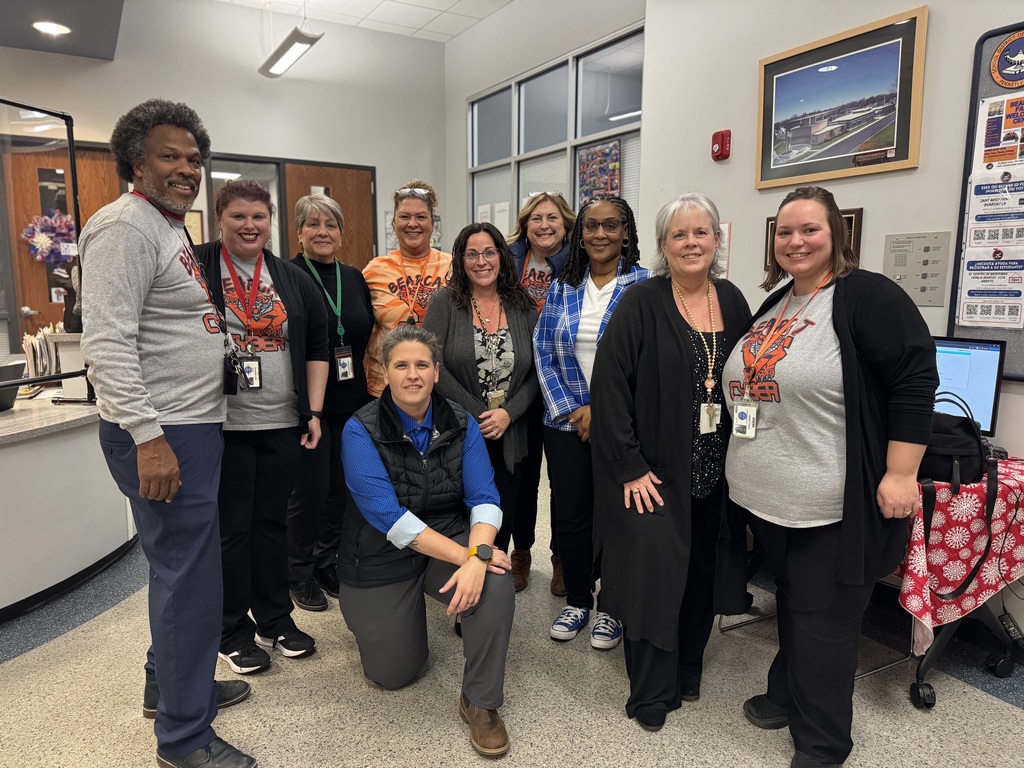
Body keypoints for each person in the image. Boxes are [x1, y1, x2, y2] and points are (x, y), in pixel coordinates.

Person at [722, 186, 937, 767]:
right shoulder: (777, 302)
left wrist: (900, 472)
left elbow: (914, 384)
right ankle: (786, 694)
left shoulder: (867, 297)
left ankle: (822, 745)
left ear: (836, 235)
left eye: (810, 229)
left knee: (825, 625)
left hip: (831, 504)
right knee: (794, 604)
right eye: (785, 231)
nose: (796, 241)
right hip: (766, 499)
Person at [80, 99, 255, 768]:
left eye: (192, 157)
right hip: (163, 434)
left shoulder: (166, 225)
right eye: (169, 157)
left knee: (181, 571)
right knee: (191, 579)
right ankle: (184, 739)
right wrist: (148, 437)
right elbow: (109, 343)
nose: (186, 169)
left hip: (189, 426)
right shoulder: (124, 227)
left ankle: (169, 682)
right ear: (135, 161)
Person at [589, 193, 752, 732]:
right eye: (679, 235)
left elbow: (749, 379)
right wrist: (630, 464)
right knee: (654, 576)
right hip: (653, 474)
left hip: (715, 472)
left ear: (716, 239)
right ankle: (651, 690)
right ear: (662, 245)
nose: (690, 243)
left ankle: (687, 669)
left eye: (700, 232)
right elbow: (608, 387)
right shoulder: (641, 302)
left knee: (701, 574)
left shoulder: (732, 300)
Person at [337, 325, 515, 758]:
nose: (412, 375)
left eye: (422, 365)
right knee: (395, 673)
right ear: (384, 372)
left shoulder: (461, 420)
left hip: (446, 532)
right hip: (379, 551)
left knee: (494, 582)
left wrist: (481, 556)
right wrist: (467, 557)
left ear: (436, 372)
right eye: (401, 365)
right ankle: (389, 622)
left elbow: (484, 497)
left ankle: (481, 701)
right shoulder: (358, 430)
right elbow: (390, 519)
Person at [194, 180, 330, 676]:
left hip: (280, 421)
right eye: (238, 217)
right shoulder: (198, 263)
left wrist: (312, 412)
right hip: (220, 423)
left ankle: (276, 619)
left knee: (273, 523)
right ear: (219, 220)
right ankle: (232, 630)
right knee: (232, 528)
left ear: (271, 221)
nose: (250, 226)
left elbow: (317, 343)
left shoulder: (290, 277)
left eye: (259, 217)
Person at [533, 193, 652, 649]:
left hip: (620, 426)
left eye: (611, 225)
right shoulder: (563, 284)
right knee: (573, 516)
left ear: (626, 232)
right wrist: (573, 408)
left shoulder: (645, 286)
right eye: (591, 226)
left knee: (618, 516)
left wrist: (602, 411)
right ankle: (579, 600)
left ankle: (613, 609)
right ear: (579, 234)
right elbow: (544, 351)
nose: (600, 234)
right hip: (564, 424)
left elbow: (646, 363)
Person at [423, 222, 539, 554]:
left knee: (504, 506)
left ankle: (494, 576)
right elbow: (433, 365)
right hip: (460, 429)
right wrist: (480, 414)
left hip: (511, 430)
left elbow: (536, 371)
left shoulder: (522, 304)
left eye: (489, 252)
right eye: (471, 254)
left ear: (502, 256)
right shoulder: (444, 302)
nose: (481, 261)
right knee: (462, 509)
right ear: (460, 260)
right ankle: (463, 571)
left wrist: (508, 413)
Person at [285, 193, 374, 612]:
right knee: (310, 490)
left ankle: (326, 560)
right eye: (313, 224)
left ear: (341, 233)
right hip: (309, 404)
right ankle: (297, 572)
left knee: (342, 489)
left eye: (331, 225)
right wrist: (308, 408)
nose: (323, 232)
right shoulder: (288, 275)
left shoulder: (354, 277)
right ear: (299, 232)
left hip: (353, 400)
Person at [506, 192, 576, 593]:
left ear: (565, 224)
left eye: (552, 218)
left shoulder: (579, 262)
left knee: (565, 478)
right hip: (519, 380)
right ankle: (522, 552)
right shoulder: (510, 258)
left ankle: (562, 557)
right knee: (524, 477)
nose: (544, 225)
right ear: (525, 223)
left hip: (564, 380)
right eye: (536, 218)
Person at [363, 180, 452, 397]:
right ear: (394, 222)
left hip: (440, 388)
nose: (413, 223)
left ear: (433, 222)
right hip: (384, 390)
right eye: (404, 216)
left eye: (421, 216)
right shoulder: (374, 270)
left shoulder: (453, 268)